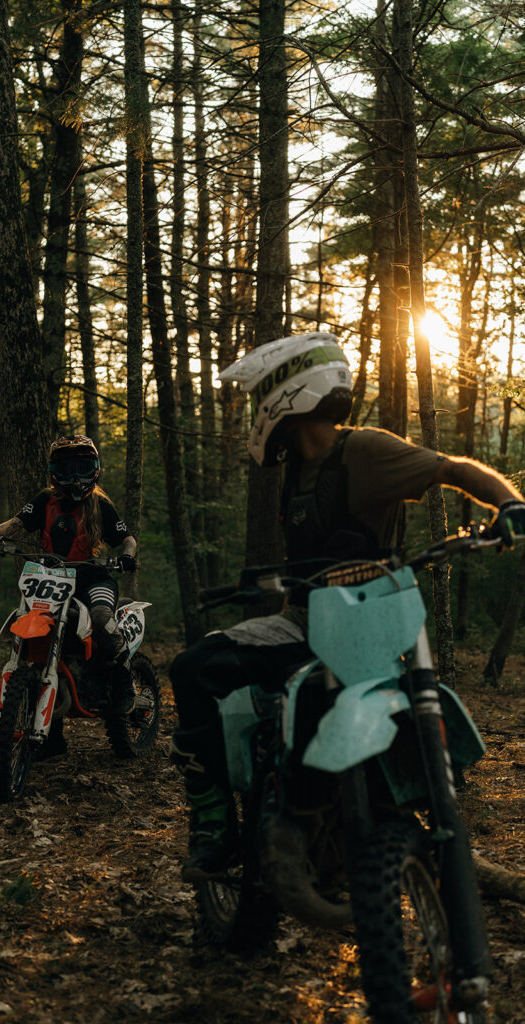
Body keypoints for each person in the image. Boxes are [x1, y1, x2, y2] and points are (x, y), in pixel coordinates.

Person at [169, 332, 525, 882]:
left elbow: (452, 468)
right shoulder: (295, 473)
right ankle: (214, 828)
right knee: (193, 669)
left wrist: (509, 503)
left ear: (285, 395)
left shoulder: (364, 451)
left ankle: (427, 836)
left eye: (259, 395)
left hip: (367, 627)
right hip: (303, 624)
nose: (255, 410)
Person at [0, 435, 138, 756]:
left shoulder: (101, 504)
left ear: (95, 470)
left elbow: (126, 538)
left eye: (83, 467)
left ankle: (123, 685)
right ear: (53, 471)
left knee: (104, 620)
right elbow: (18, 522)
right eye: (67, 468)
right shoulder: (44, 501)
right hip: (52, 579)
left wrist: (128, 555)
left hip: (94, 579)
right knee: (41, 641)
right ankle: (51, 735)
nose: (76, 476)